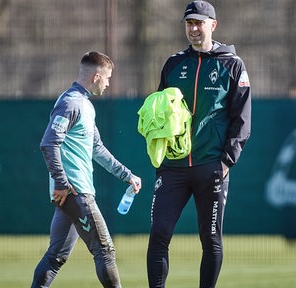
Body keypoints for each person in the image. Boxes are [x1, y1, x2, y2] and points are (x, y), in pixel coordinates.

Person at [146, 1, 251, 287]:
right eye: (189, 23)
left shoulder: (232, 64)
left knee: (211, 238)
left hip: (211, 166)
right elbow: (160, 112)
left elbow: (241, 119)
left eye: (199, 23)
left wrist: (227, 160)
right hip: (173, 168)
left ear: (212, 25)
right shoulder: (173, 64)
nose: (193, 29)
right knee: (159, 232)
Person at [31, 51, 141, 288]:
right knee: (106, 251)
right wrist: (61, 182)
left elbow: (96, 148)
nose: (109, 83)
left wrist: (127, 175)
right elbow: (48, 143)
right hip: (75, 191)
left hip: (72, 192)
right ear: (96, 76)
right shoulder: (72, 103)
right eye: (108, 78)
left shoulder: (86, 106)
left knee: (56, 256)